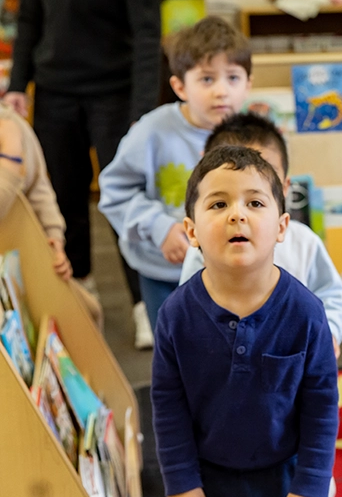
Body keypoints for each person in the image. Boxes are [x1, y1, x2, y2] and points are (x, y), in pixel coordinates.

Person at [152, 145, 339, 497]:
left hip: (285, 481)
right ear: (192, 231)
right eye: (219, 203)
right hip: (208, 484)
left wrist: (312, 488)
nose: (237, 214)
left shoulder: (305, 311)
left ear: (281, 227)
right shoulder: (176, 314)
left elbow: (322, 405)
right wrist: (180, 481)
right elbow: (167, 402)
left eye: (254, 202)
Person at [3, 0, 160, 346]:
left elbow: (148, 36)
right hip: (55, 95)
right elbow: (29, 25)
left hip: (113, 96)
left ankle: (143, 304)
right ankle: (81, 291)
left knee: (121, 201)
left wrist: (142, 108)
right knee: (66, 198)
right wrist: (18, 86)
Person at [99, 17, 251, 335]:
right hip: (164, 273)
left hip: (234, 272)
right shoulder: (150, 132)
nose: (222, 91)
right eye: (207, 79)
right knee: (175, 357)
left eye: (233, 78)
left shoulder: (254, 134)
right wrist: (158, 226)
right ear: (180, 86)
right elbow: (115, 191)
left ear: (248, 84)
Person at [0, 103, 102, 323]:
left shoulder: (10, 121)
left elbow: (39, 187)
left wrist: (54, 237)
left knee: (88, 312)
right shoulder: (10, 132)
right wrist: (10, 156)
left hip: (19, 257)